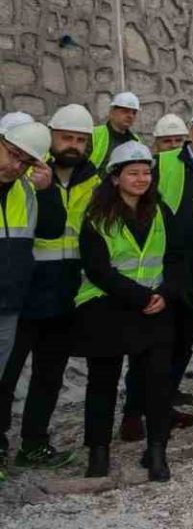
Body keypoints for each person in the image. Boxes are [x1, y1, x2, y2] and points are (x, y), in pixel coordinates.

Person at [73, 141, 182, 482]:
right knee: (102, 382)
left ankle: (157, 451)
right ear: (115, 178)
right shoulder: (97, 217)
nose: (141, 179)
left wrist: (165, 293)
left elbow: (177, 258)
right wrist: (141, 296)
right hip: (106, 307)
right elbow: (98, 269)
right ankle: (98, 453)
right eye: (133, 173)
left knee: (158, 383)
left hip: (154, 307)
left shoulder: (161, 212)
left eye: (146, 173)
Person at [0, 103, 99, 474]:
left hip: (63, 293)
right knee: (6, 378)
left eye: (80, 139)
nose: (72, 145)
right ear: (50, 136)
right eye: (66, 137)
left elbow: (62, 228)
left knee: (48, 376)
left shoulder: (93, 180)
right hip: (21, 295)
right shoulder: (24, 175)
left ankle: (34, 443)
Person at [125, 102, 193, 441]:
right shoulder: (164, 163)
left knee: (183, 345)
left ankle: (162, 408)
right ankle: (133, 413)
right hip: (167, 268)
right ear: (191, 130)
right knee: (151, 346)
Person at [0, 120, 50, 482]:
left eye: (25, 162)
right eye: (12, 154)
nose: (15, 166)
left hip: (7, 305)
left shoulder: (27, 192)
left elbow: (47, 230)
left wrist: (46, 192)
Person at [88, 91, 142, 169]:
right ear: (112, 112)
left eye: (134, 113)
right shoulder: (94, 134)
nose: (130, 116)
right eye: (125, 111)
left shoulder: (136, 141)